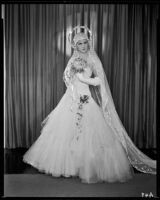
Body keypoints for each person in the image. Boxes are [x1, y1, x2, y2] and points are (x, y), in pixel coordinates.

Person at [23, 26, 156, 184]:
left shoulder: (93, 59)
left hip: (86, 97)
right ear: (75, 46)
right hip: (71, 98)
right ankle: (69, 166)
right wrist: (72, 79)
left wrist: (84, 79)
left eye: (85, 42)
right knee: (65, 131)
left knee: (91, 133)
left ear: (89, 43)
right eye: (80, 43)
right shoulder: (73, 59)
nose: (83, 46)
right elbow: (66, 76)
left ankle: (87, 167)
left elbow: (100, 81)